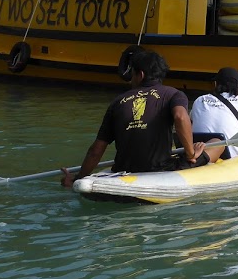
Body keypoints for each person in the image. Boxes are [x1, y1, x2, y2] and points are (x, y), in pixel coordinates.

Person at [60, 50, 204, 187]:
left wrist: (78, 178)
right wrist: (191, 153)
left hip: (122, 170)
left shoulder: (117, 102)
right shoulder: (173, 94)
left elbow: (96, 151)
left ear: (140, 75)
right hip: (160, 169)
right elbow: (180, 117)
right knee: (217, 144)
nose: (130, 80)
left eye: (132, 74)